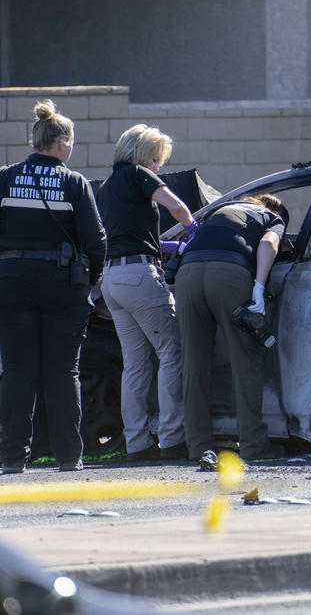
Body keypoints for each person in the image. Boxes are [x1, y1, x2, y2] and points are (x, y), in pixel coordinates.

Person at [0, 100, 106, 473]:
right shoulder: (73, 182)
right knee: (63, 371)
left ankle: (13, 459)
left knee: (16, 370)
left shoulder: (6, 177)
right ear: (61, 143)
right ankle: (68, 458)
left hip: (11, 282)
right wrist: (87, 284)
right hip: (63, 285)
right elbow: (96, 241)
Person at [97, 124, 196, 461]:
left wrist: (166, 245)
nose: (159, 167)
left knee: (136, 364)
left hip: (112, 279)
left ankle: (137, 443)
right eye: (157, 159)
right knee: (172, 352)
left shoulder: (108, 186)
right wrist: (195, 230)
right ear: (143, 156)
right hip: (139, 276)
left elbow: (127, 235)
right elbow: (178, 208)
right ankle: (172, 439)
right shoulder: (140, 175)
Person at [175, 194, 288, 461]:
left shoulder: (222, 210)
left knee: (194, 364)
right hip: (229, 273)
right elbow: (269, 243)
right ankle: (253, 445)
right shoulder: (272, 218)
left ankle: (198, 446)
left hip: (188, 275)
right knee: (245, 358)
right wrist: (259, 288)